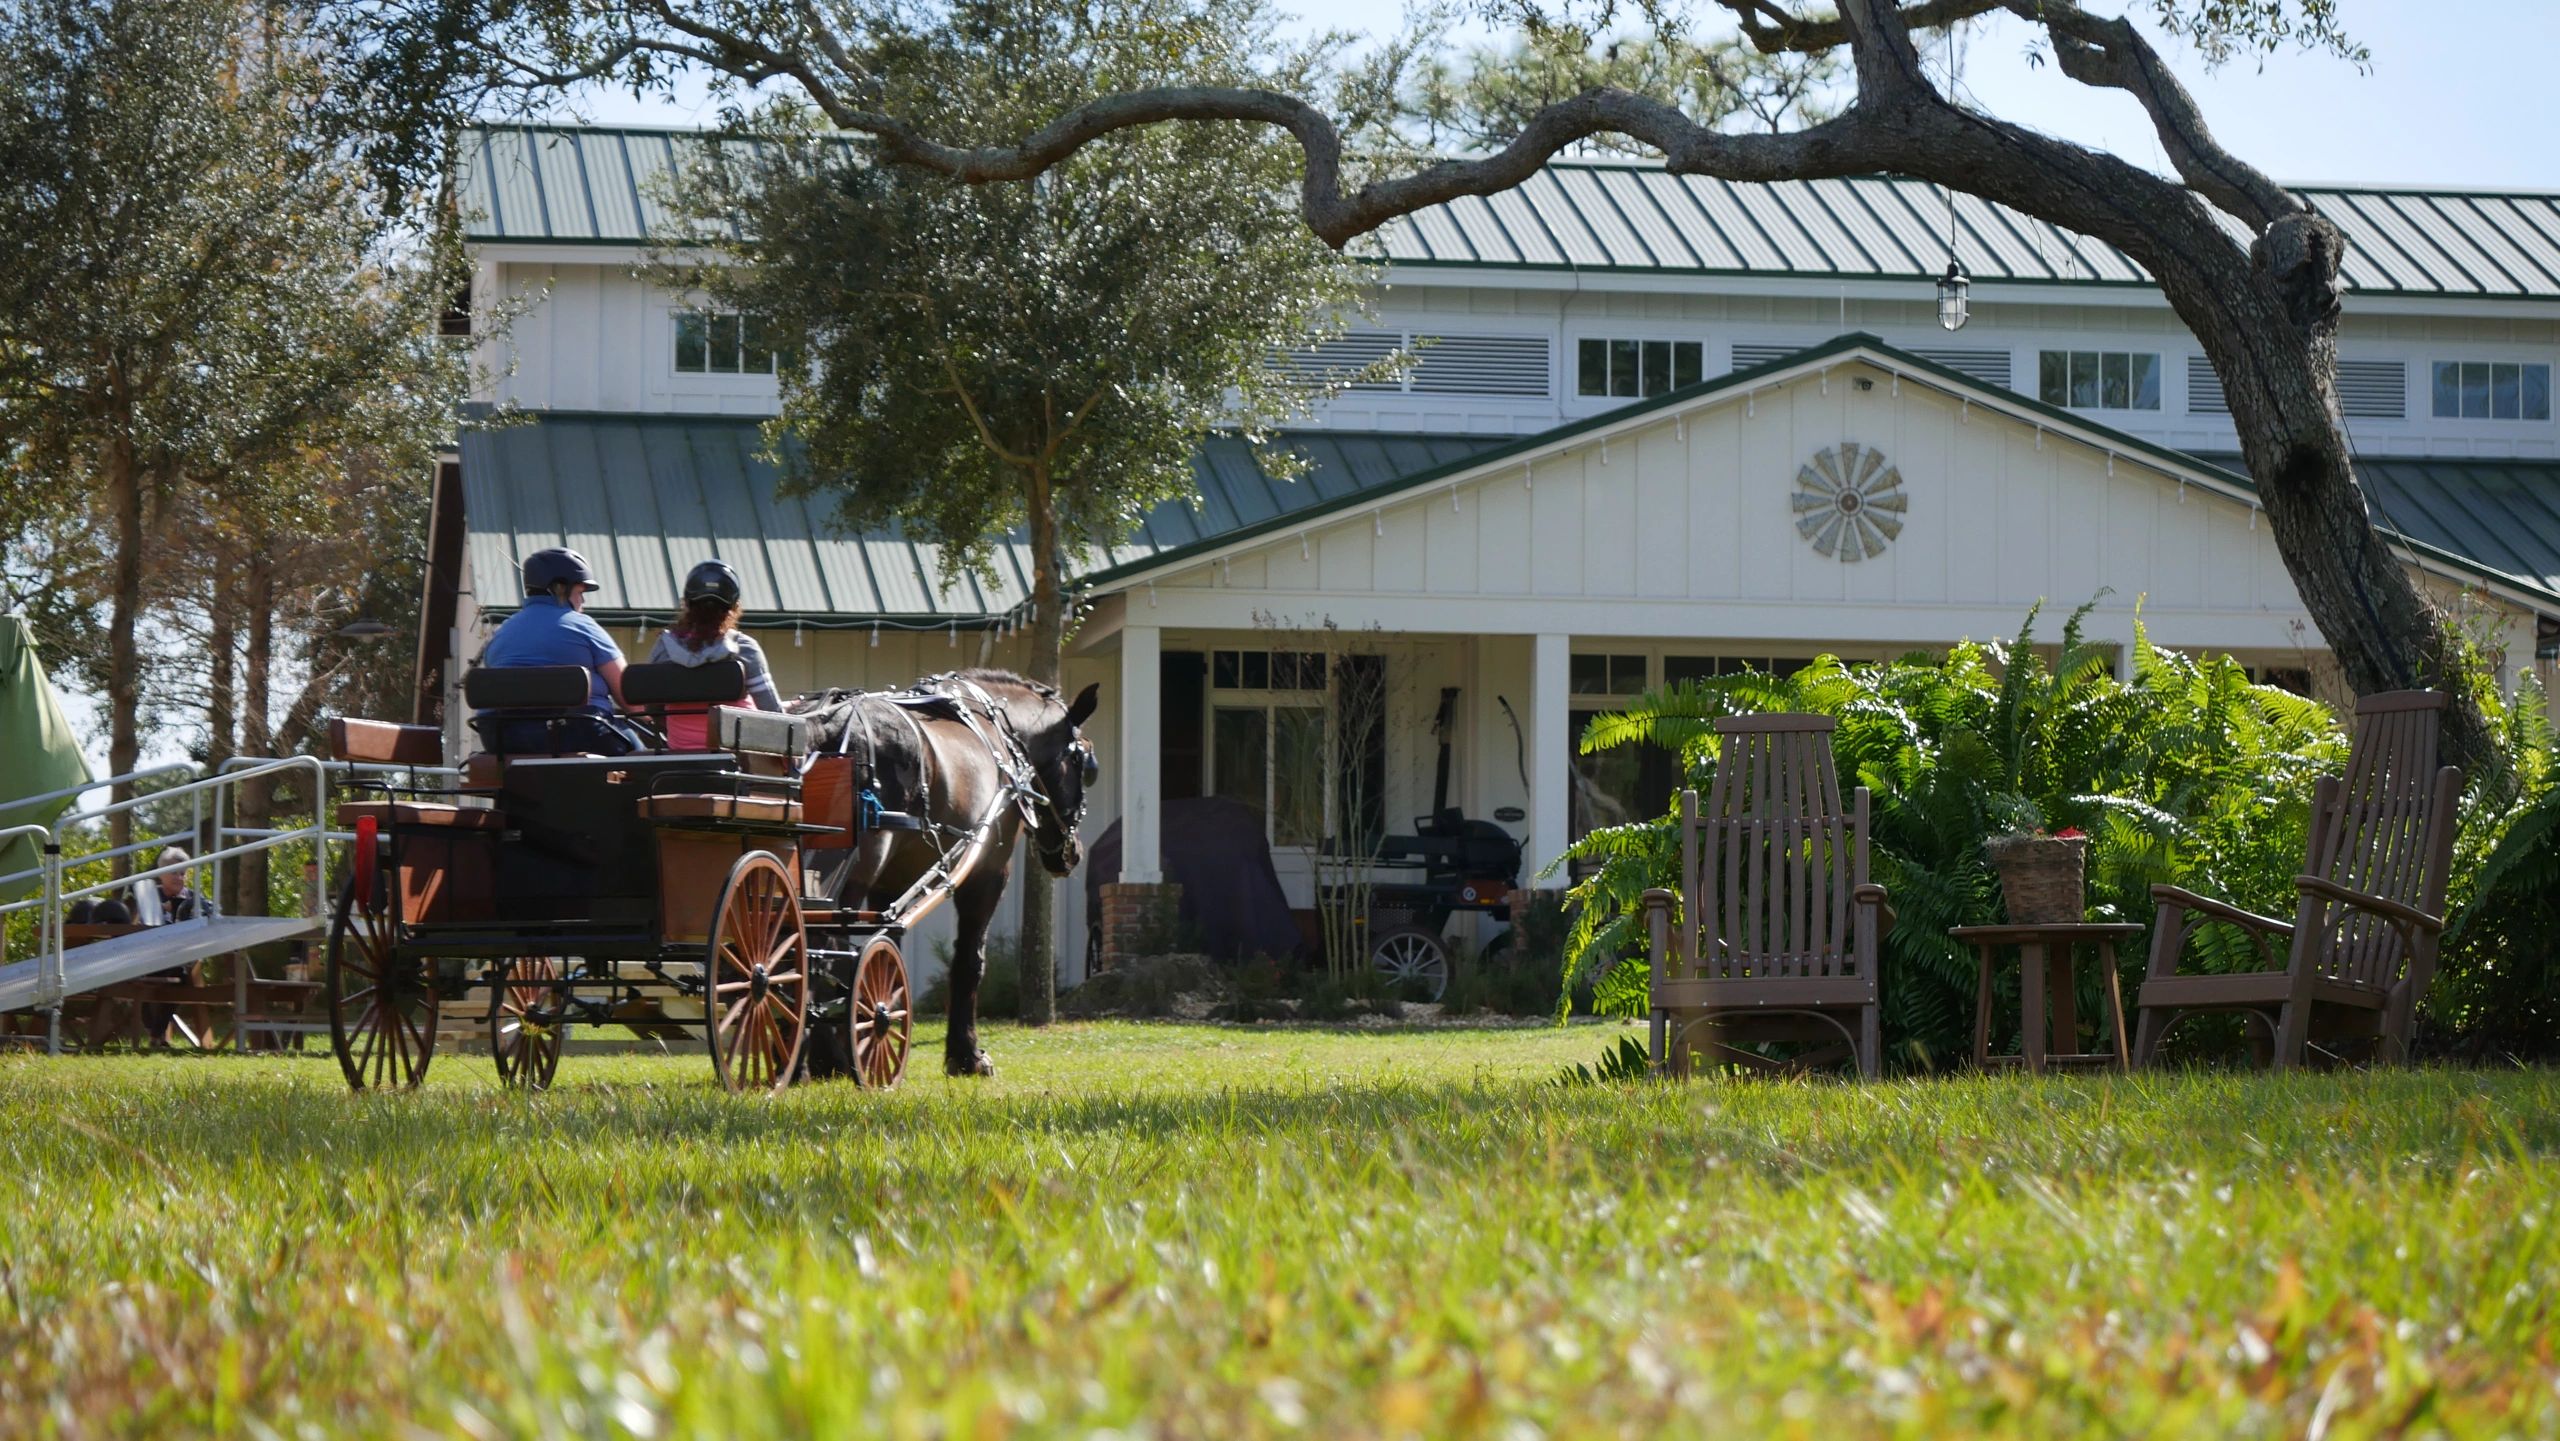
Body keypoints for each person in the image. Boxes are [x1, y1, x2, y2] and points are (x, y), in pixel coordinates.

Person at [475, 547, 643, 755]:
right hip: (578, 734)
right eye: (580, 592)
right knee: (641, 757)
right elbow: (629, 696)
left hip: (504, 739)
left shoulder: (500, 635)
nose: (583, 601)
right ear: (560, 588)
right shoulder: (583, 626)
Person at [648, 560, 783, 748]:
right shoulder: (745, 648)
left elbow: (654, 709)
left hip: (680, 752)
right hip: (739, 753)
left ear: (687, 603)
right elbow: (772, 711)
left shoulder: (664, 647)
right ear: (734, 606)